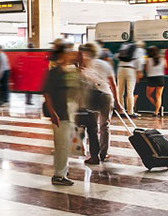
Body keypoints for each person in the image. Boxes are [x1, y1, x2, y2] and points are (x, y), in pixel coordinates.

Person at [42, 42, 82, 186]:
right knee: (61, 145)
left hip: (70, 112)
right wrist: (53, 113)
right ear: (62, 55)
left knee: (67, 144)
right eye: (69, 52)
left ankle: (63, 170)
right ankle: (59, 175)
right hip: (60, 113)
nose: (72, 54)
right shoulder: (55, 72)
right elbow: (47, 93)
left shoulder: (72, 71)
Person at [79, 42, 120, 163]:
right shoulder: (105, 64)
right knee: (105, 126)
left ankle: (94, 156)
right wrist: (117, 101)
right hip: (107, 95)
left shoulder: (84, 65)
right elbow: (113, 84)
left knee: (92, 127)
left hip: (92, 95)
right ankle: (104, 153)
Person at [116, 40, 145, 117]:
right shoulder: (139, 49)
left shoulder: (124, 46)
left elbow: (117, 56)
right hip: (130, 69)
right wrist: (139, 71)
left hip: (120, 69)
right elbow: (140, 61)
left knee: (120, 91)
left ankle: (121, 111)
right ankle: (130, 112)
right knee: (130, 92)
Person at [144, 46, 165, 117]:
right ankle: (156, 111)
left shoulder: (148, 60)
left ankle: (158, 108)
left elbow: (146, 69)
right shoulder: (162, 59)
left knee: (148, 95)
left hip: (152, 78)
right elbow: (165, 66)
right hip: (160, 78)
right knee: (158, 96)